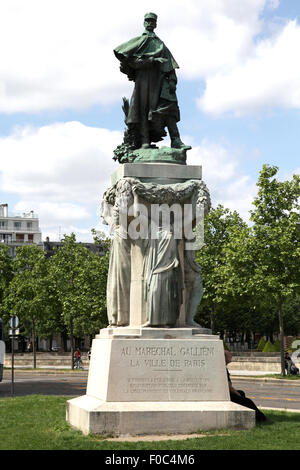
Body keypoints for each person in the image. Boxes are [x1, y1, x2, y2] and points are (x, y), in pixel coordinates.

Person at [114, 12, 188, 150]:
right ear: (144, 23)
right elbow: (132, 62)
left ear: (156, 24)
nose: (150, 23)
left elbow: (170, 65)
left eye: (152, 21)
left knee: (169, 109)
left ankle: (176, 140)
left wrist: (172, 81)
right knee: (142, 110)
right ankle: (144, 141)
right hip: (143, 82)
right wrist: (152, 60)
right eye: (147, 21)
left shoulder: (160, 44)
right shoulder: (139, 42)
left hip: (159, 82)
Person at [225, 350, 267, 423]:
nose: (231, 357)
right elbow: (228, 387)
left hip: (227, 393)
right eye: (229, 356)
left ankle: (244, 413)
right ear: (225, 357)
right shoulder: (223, 369)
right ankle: (261, 418)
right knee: (248, 401)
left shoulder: (223, 368)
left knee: (242, 393)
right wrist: (236, 393)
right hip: (227, 395)